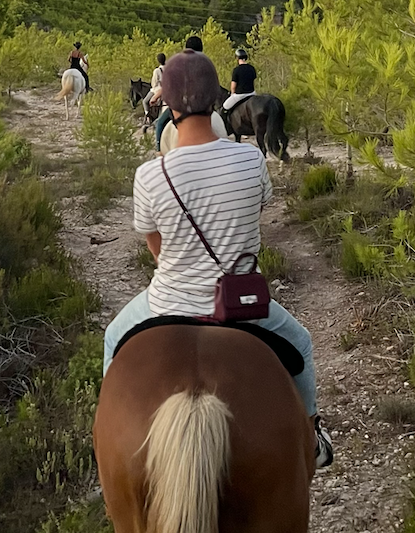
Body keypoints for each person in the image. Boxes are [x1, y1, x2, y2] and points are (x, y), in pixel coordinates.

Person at [105, 49, 333, 469]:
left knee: (111, 339)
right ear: (215, 100)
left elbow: (155, 248)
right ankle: (312, 435)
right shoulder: (249, 159)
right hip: (241, 304)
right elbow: (256, 211)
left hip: (169, 301)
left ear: (168, 105)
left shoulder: (149, 175)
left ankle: (106, 450)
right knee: (300, 341)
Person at [152, 35, 203, 150]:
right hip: (204, 107)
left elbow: (169, 85)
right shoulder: (206, 65)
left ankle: (159, 151)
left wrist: (155, 97)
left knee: (160, 123)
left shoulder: (181, 65)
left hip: (184, 105)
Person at [224, 46, 258, 111]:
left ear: (237, 58)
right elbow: (253, 81)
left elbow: (233, 87)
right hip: (252, 93)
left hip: (240, 95)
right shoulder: (252, 68)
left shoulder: (236, 70)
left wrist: (232, 94)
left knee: (225, 106)